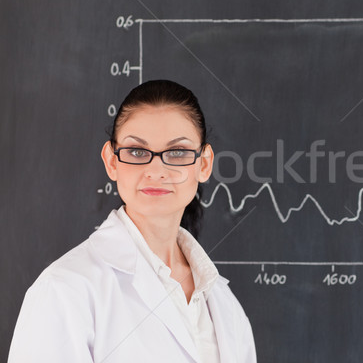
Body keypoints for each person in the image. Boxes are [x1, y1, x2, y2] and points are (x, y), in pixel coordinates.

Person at [8, 80, 257, 362]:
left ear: (204, 164)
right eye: (137, 152)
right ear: (111, 161)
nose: (156, 170)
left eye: (177, 152)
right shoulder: (64, 290)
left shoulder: (225, 306)